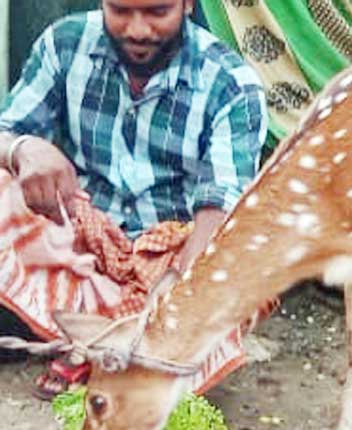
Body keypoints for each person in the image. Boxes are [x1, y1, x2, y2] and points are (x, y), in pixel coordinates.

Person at [0, 0, 269, 399]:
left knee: (237, 268)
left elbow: (222, 209)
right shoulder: (65, 44)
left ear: (187, 5)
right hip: (80, 240)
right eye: (121, 11)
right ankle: (103, 343)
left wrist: (179, 286)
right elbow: (6, 130)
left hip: (172, 258)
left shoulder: (230, 83)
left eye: (157, 12)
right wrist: (22, 149)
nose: (138, 29)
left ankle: (88, 340)